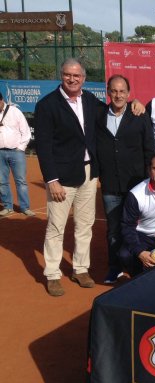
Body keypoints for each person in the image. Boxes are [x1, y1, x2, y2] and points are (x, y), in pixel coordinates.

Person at [35, 58, 105, 296]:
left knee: (85, 225)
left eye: (77, 76)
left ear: (83, 78)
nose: (72, 79)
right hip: (62, 177)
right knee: (56, 226)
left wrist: (134, 104)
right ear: (61, 76)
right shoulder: (47, 105)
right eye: (68, 75)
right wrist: (51, 179)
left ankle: (80, 268)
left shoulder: (90, 100)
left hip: (88, 172)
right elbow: (43, 146)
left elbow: (110, 113)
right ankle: (53, 274)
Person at [96, 74, 155, 284]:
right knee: (113, 230)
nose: (118, 95)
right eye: (114, 91)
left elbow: (149, 147)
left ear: (129, 94)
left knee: (137, 227)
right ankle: (114, 268)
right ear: (108, 93)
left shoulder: (138, 115)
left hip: (137, 184)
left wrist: (151, 177)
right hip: (111, 185)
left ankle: (136, 264)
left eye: (122, 91)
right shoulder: (99, 116)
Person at [0, 91, 34, 217]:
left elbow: (26, 132)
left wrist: (20, 149)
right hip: (0, 153)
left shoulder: (15, 112)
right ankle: (8, 206)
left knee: (21, 181)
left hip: (16, 152)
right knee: (2, 181)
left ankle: (25, 207)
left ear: (1, 100)